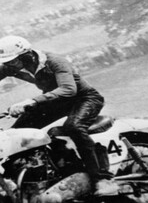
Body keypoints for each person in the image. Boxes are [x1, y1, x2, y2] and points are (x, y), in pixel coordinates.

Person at [0, 36, 118, 196]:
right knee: (17, 134)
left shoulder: (54, 61)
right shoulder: (12, 66)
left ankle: (102, 179)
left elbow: (68, 89)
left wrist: (32, 101)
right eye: (6, 62)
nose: (8, 65)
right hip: (55, 102)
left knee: (74, 127)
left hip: (84, 99)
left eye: (11, 61)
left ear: (26, 55)